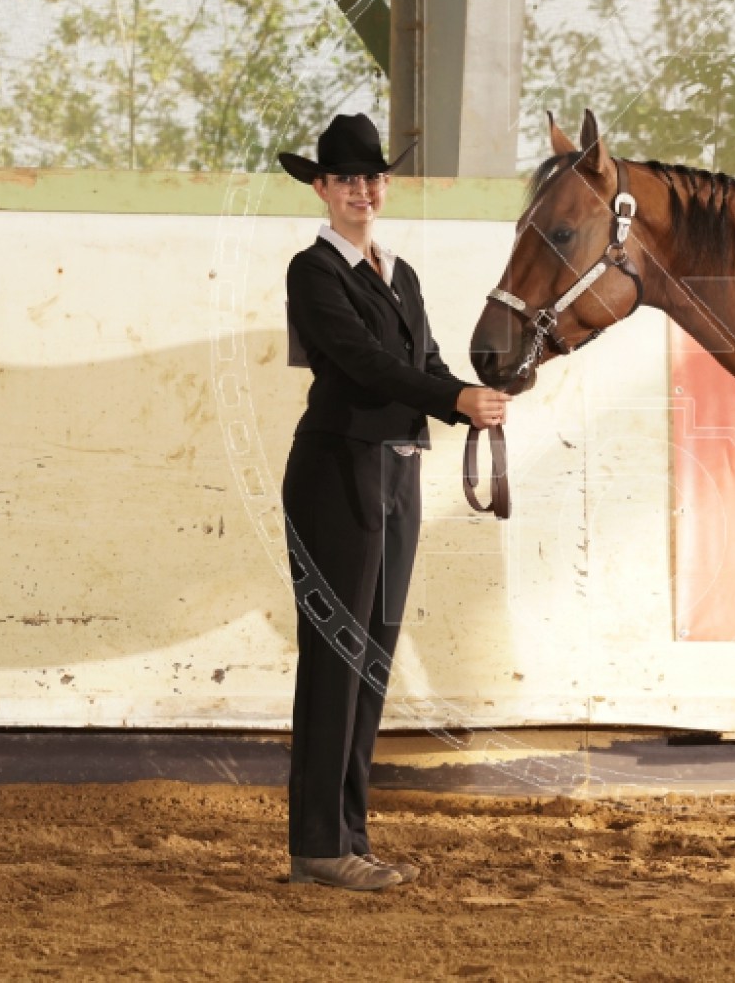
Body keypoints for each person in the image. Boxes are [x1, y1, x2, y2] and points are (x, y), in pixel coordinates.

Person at [276, 113, 511, 892]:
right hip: (338, 472)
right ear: (322, 186)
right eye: (348, 178)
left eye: (373, 177)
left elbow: (424, 359)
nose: (363, 190)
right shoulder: (314, 272)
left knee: (370, 659)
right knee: (336, 656)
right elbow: (363, 363)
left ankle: (347, 836)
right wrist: (454, 399)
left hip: (396, 472)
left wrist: (470, 396)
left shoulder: (398, 273)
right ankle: (317, 842)